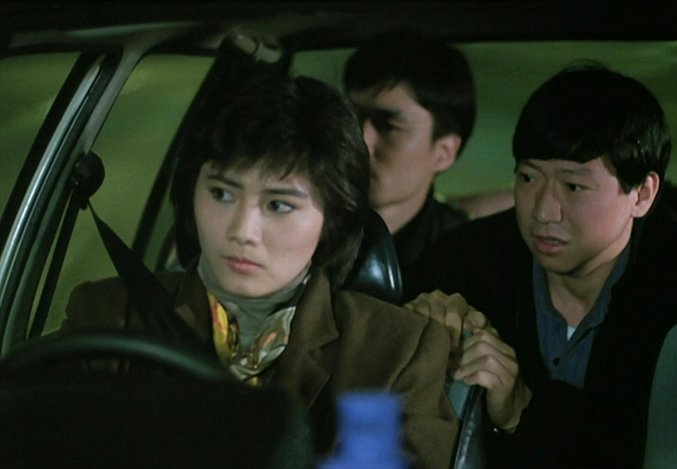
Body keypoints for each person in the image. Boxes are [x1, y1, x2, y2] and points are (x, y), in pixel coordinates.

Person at [62, 74, 457, 469]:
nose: (242, 231)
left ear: (332, 220)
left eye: (278, 205)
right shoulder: (108, 315)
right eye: (221, 194)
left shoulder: (395, 352)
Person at [406, 63, 677, 468]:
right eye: (528, 178)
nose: (544, 212)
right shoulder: (462, 263)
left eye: (573, 186)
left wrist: (519, 409)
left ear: (642, 194)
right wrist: (418, 325)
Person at [342, 30, 476, 285]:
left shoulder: (467, 260)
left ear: (444, 153)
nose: (360, 140)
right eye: (351, 117)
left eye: (387, 126)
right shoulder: (300, 225)